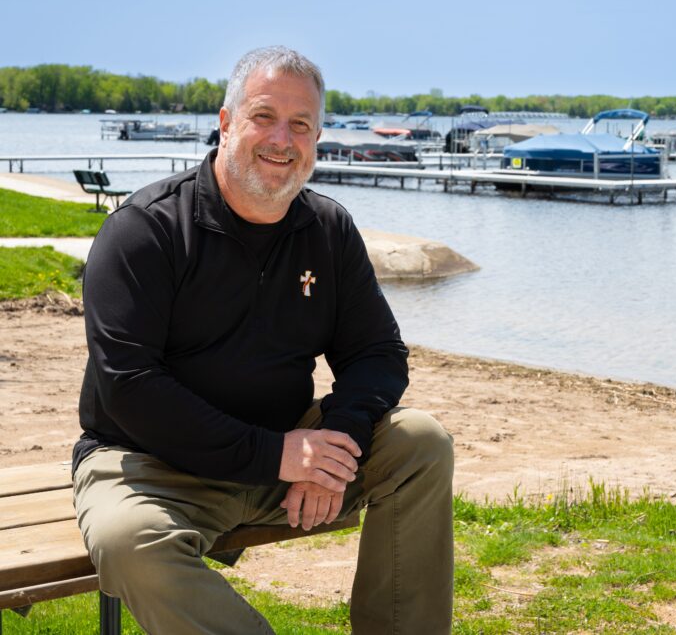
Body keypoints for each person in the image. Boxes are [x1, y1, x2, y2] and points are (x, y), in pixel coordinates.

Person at [73, 46, 454, 634]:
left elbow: (377, 354)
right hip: (154, 462)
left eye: (300, 124)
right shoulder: (144, 230)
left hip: (290, 448)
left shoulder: (327, 229)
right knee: (130, 543)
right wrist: (277, 455)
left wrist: (332, 439)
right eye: (263, 116)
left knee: (420, 442)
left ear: (317, 139)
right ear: (225, 124)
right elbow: (130, 388)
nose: (282, 139)